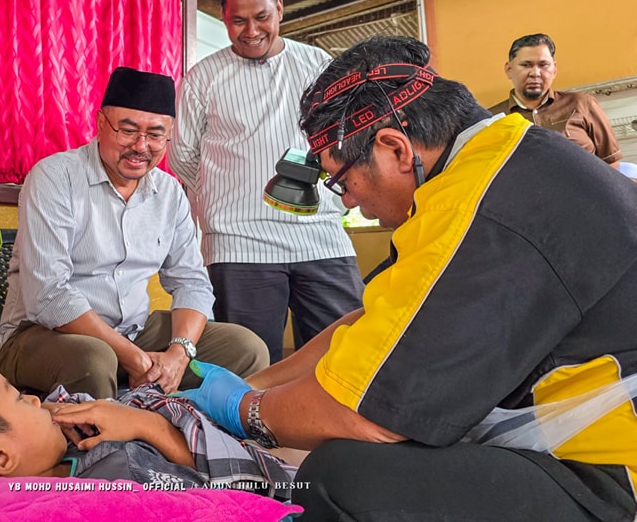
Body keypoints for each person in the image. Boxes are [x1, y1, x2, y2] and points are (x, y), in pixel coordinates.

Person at [177, 36, 637, 521]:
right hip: (574, 438)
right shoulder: (501, 160)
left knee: (343, 474)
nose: (348, 202)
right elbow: (376, 325)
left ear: (394, 148)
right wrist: (253, 383)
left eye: (342, 182)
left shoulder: (477, 207)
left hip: (611, 480)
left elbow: (369, 415)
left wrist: (245, 411)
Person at [0, 66, 268, 399]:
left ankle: (196, 442)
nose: (141, 146)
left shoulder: (169, 193)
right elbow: (49, 294)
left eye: (155, 134)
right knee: (94, 359)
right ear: (100, 124)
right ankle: (106, 450)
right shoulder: (55, 177)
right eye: (127, 130)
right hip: (40, 336)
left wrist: (178, 354)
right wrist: (134, 358)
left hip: (132, 332)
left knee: (246, 347)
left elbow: (191, 282)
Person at [168, 0, 363, 365]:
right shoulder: (204, 78)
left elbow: (344, 141)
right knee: (248, 368)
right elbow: (183, 158)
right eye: (238, 21)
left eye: (261, 17)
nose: (251, 31)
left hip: (322, 238)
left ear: (280, 10)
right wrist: (227, 201)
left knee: (345, 358)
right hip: (238, 248)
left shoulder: (317, 66)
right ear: (224, 18)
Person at [0, 357, 295, 498]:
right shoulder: (118, 485)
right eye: (18, 397)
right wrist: (150, 427)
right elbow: (257, 489)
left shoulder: (58, 449)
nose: (36, 398)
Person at [489, 33, 622, 168]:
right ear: (509, 69)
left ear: (554, 70)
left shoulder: (582, 103)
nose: (535, 73)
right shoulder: (491, 120)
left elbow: (610, 160)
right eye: (526, 65)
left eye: (543, 65)